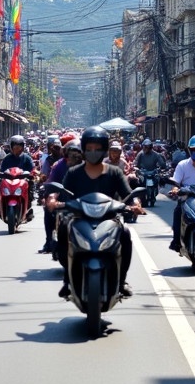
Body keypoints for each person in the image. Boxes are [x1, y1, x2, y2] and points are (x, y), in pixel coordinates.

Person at [46, 126, 141, 298]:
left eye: (97, 149)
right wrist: (52, 199)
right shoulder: (74, 172)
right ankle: (68, 280)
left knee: (126, 233)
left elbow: (128, 194)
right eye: (89, 149)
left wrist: (135, 204)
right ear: (83, 150)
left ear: (105, 150)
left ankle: (122, 281)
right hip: (79, 218)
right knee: (62, 229)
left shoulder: (115, 172)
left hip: (109, 220)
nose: (93, 152)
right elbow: (60, 192)